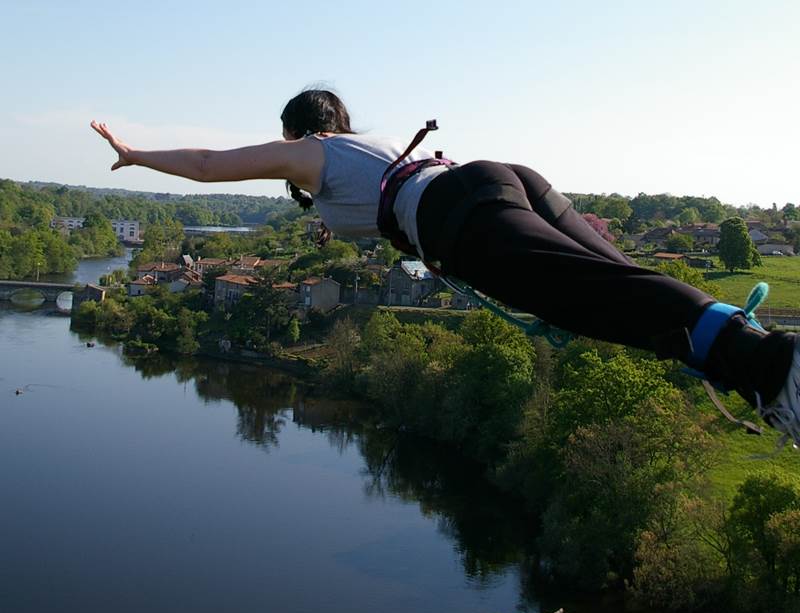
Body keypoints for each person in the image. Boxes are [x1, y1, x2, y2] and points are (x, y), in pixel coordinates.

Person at [91, 88, 800, 446]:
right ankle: (751, 363)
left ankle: (773, 368)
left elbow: (214, 166)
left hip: (461, 221)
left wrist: (139, 155)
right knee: (617, 285)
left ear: (299, 129)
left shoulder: (311, 149)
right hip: (498, 179)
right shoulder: (369, 145)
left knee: (593, 297)